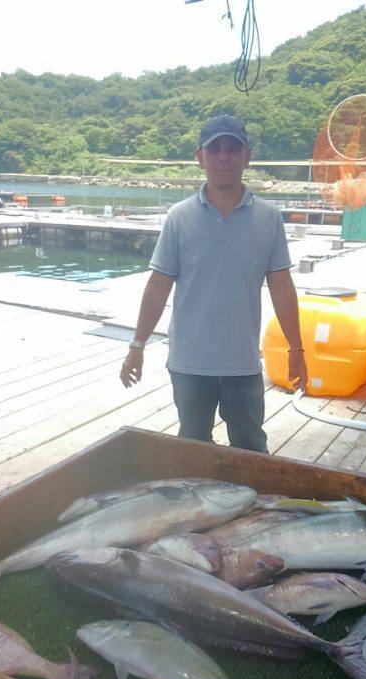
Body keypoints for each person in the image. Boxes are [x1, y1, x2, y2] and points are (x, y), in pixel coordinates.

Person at [120, 115, 307, 453]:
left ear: (246, 156)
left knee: (251, 448)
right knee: (192, 450)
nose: (224, 156)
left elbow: (282, 287)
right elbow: (158, 285)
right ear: (200, 157)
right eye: (215, 148)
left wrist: (297, 349)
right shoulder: (179, 216)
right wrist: (137, 346)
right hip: (189, 363)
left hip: (244, 363)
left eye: (232, 148)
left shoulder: (268, 218)